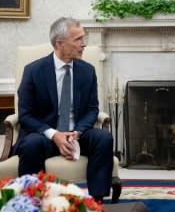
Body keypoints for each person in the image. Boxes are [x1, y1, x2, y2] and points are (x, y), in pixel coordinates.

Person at [13, 17, 114, 201]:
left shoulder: (87, 70)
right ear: (60, 43)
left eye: (84, 38)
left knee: (104, 138)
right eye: (78, 39)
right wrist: (54, 134)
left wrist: (77, 132)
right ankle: (33, 201)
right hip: (45, 136)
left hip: (77, 135)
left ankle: (97, 202)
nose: (84, 44)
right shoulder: (34, 71)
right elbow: (25, 115)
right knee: (31, 144)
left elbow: (92, 109)